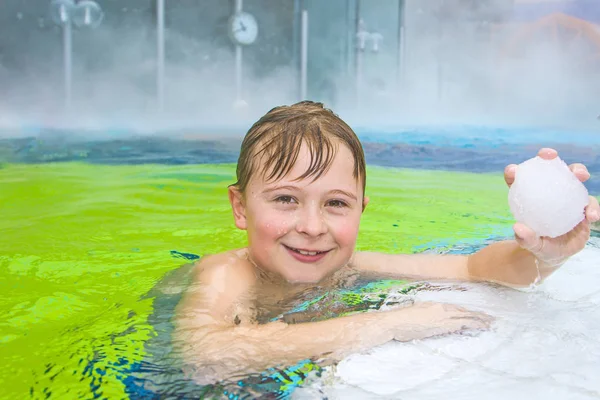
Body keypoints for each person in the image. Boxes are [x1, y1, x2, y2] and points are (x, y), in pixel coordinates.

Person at [173, 101, 599, 386]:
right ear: (241, 207)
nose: (311, 225)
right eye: (286, 199)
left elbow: (472, 269)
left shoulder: (350, 265)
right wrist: (384, 325)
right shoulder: (225, 274)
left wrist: (545, 254)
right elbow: (205, 356)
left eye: (336, 203)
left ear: (361, 209)